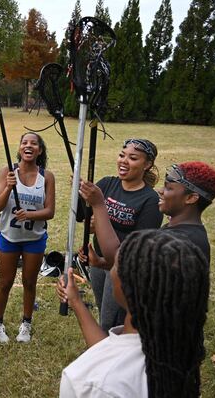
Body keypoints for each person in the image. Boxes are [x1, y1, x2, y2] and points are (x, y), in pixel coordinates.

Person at [57, 229, 209, 398]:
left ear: (126, 289)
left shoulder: (88, 383)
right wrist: (77, 302)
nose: (111, 267)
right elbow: (122, 353)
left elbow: (115, 360)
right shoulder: (177, 345)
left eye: (115, 264)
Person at [79, 138, 163, 332]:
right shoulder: (108, 183)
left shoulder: (151, 200)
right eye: (121, 155)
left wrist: (99, 225)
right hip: (97, 262)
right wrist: (79, 191)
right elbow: (83, 215)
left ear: (147, 164)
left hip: (121, 268)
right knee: (104, 313)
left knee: (111, 322)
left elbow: (137, 246)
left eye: (133, 158)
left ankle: (109, 354)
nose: (124, 161)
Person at [79, 160, 215, 267]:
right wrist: (99, 262)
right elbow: (130, 262)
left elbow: (118, 259)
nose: (160, 191)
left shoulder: (179, 242)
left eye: (169, 188)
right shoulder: (176, 231)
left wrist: (99, 205)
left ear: (191, 198)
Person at [0, 132, 55, 343]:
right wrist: (9, 186)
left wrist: (29, 214)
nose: (28, 146)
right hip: (9, 236)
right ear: (19, 148)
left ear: (40, 150)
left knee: (29, 282)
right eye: (24, 142)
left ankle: (26, 324)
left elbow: (50, 212)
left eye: (34, 143)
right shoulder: (7, 172)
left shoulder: (46, 176)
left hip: (34, 238)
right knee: (5, 282)